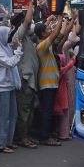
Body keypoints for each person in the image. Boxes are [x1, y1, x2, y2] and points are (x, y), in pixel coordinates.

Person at [0, 26, 23, 153]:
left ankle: (8, 142)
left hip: (9, 85)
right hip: (1, 86)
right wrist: (19, 50)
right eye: (7, 34)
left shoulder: (6, 48)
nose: (8, 36)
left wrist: (16, 47)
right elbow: (10, 63)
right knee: (3, 117)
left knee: (12, 115)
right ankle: (0, 144)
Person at [35, 14, 64, 146]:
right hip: (47, 84)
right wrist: (59, 19)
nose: (49, 31)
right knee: (47, 111)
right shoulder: (42, 46)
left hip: (50, 83)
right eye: (46, 30)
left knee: (48, 110)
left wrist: (48, 21)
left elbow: (57, 33)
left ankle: (46, 134)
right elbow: (56, 32)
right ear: (42, 33)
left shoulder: (44, 44)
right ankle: (44, 137)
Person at [13, 7, 39, 149]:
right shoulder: (19, 36)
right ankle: (22, 138)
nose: (30, 25)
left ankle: (26, 136)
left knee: (29, 111)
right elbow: (28, 20)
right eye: (28, 24)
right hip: (25, 79)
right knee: (24, 111)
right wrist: (30, 4)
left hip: (31, 81)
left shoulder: (28, 37)